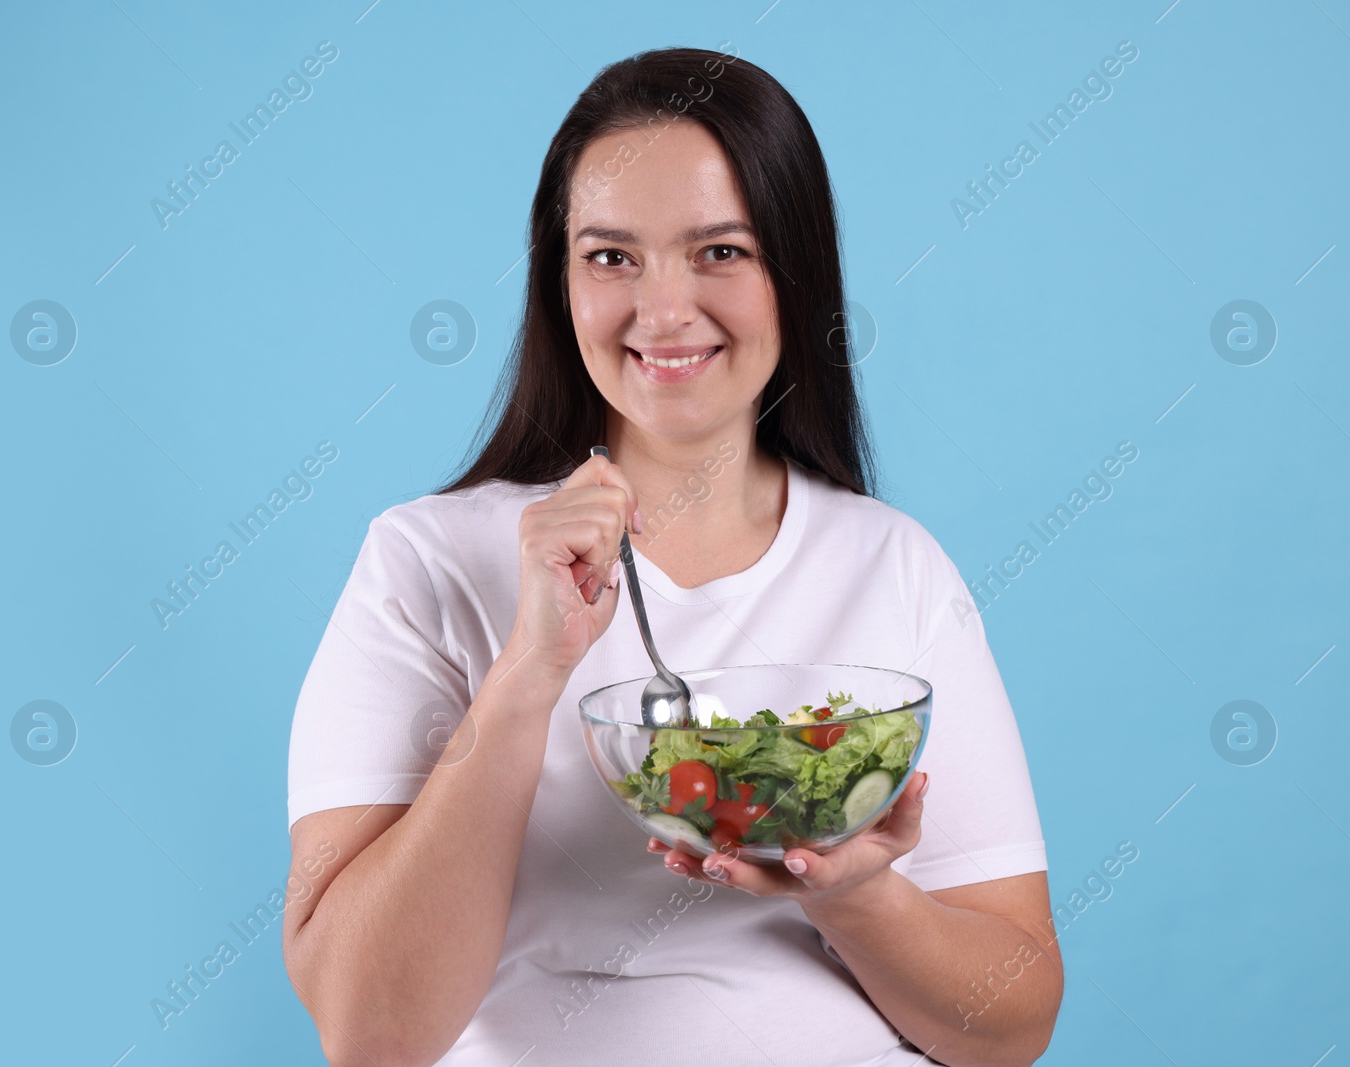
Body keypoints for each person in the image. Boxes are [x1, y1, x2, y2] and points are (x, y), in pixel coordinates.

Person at [282, 46, 1061, 1067]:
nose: (662, 310)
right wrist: (532, 671)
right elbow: (369, 1029)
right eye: (611, 256)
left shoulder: (896, 566)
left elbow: (1011, 1025)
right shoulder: (425, 560)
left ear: (796, 268)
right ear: (559, 277)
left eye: (720, 251)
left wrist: (857, 892)